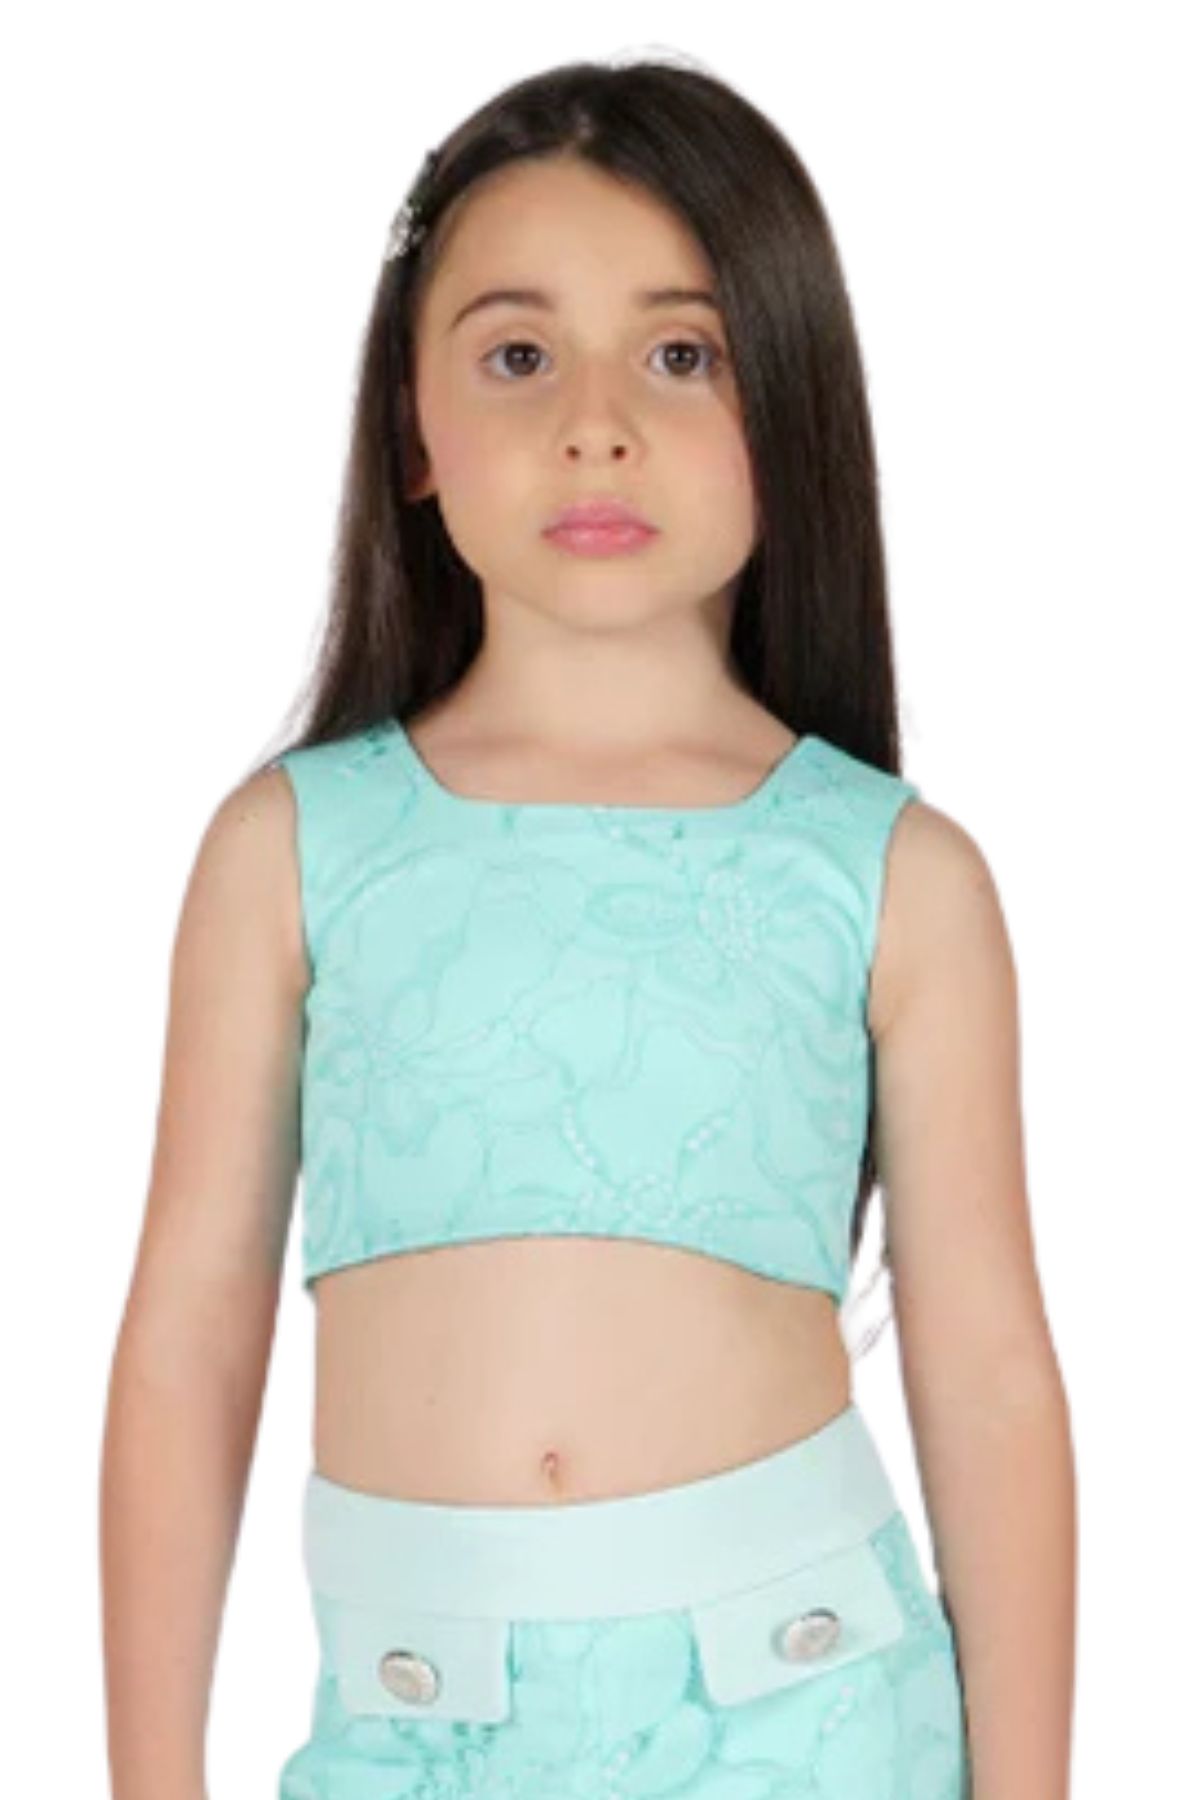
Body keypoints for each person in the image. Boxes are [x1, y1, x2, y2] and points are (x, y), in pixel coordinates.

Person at [99, 51, 1077, 1800]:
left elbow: (990, 1375)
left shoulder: (893, 874)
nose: (597, 423)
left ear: (789, 403)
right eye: (519, 355)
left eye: (683, 355)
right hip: (416, 1730)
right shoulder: (292, 851)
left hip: (809, 1724)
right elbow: (187, 1340)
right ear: (413, 427)